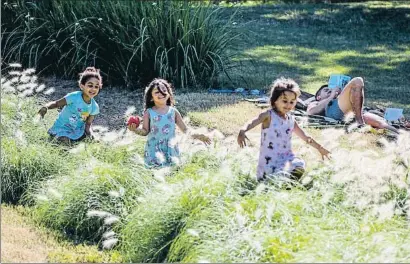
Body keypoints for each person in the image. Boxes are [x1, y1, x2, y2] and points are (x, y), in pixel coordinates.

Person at [237, 77, 331, 182]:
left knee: (299, 165)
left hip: (286, 160)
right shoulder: (268, 115)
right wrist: (243, 130)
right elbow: (253, 121)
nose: (288, 105)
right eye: (285, 101)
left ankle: (285, 181)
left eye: (292, 102)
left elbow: (306, 137)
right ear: (275, 100)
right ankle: (275, 179)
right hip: (269, 163)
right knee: (277, 175)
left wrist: (320, 148)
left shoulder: (291, 120)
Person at [128, 78, 211, 168]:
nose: (161, 93)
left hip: (171, 148)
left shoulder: (173, 112)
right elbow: (145, 131)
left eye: (164, 90)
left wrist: (199, 135)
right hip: (154, 150)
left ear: (168, 93)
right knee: (154, 173)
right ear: (151, 97)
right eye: (157, 92)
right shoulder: (149, 112)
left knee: (172, 173)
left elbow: (186, 130)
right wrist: (135, 130)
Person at [306, 77, 399, 133]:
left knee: (379, 122)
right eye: (326, 90)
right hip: (335, 110)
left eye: (330, 90)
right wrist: (331, 96)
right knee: (358, 81)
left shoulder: (337, 97)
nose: (330, 91)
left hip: (351, 111)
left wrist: (339, 94)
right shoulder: (315, 102)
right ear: (318, 96)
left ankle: (402, 135)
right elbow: (311, 112)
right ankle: (360, 121)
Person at [38, 67, 101, 144]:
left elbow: (88, 124)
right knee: (65, 141)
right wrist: (46, 107)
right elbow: (56, 104)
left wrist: (91, 135)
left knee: (93, 141)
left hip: (77, 130)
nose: (93, 89)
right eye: (90, 85)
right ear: (82, 86)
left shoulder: (94, 107)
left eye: (96, 86)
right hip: (63, 128)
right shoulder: (74, 97)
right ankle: (57, 138)